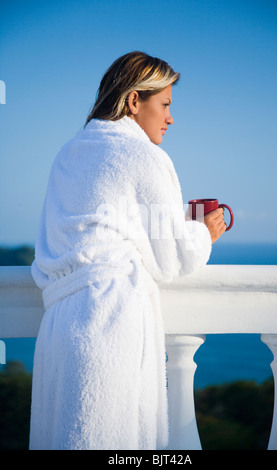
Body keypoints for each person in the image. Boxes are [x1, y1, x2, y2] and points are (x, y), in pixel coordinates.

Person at [29, 51, 226, 450]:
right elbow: (171, 257)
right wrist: (203, 232)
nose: (171, 118)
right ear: (134, 101)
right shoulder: (144, 156)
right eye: (165, 104)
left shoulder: (68, 153)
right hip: (109, 322)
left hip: (58, 324)